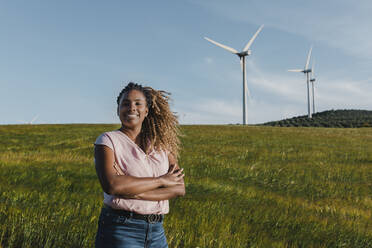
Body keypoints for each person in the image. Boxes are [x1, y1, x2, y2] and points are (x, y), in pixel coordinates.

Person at [94, 82, 185, 248]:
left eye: (138, 103)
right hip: (120, 228)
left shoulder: (162, 146)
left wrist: (133, 193)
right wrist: (161, 181)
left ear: (146, 111)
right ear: (118, 109)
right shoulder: (108, 141)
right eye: (125, 104)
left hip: (157, 231)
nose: (131, 108)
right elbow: (113, 185)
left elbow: (179, 188)